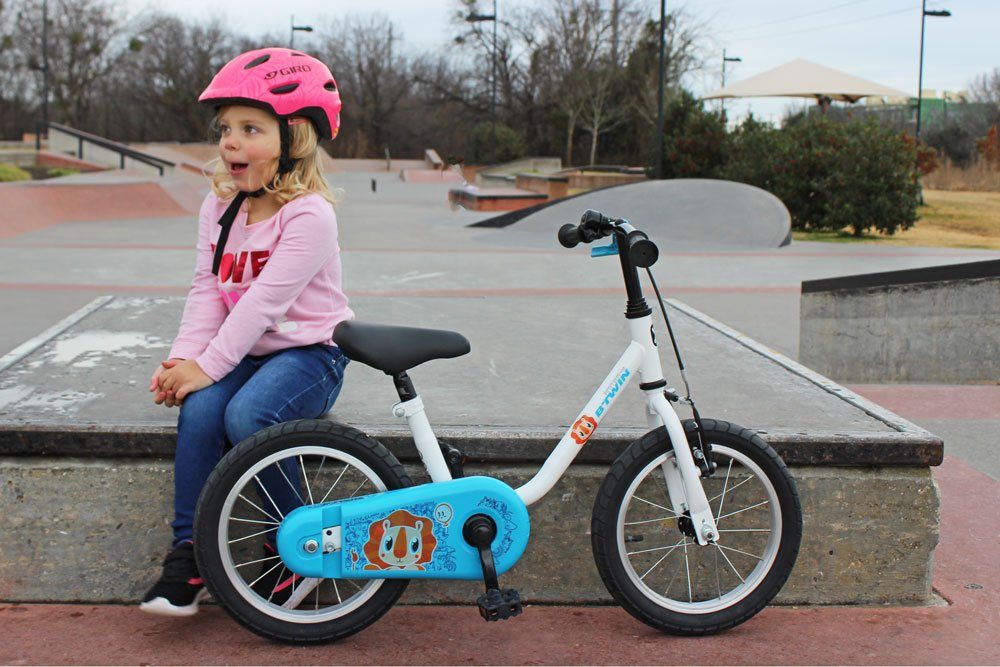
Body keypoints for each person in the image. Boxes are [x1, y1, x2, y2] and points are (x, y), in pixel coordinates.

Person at [139, 47, 351, 616]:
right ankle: (189, 555)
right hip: (246, 352)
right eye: (225, 128)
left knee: (247, 416)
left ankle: (303, 549)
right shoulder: (221, 205)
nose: (229, 141)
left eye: (250, 128)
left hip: (311, 355)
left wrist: (207, 366)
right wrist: (183, 360)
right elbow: (207, 289)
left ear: (296, 137)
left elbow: (261, 305)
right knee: (202, 410)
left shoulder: (309, 215)